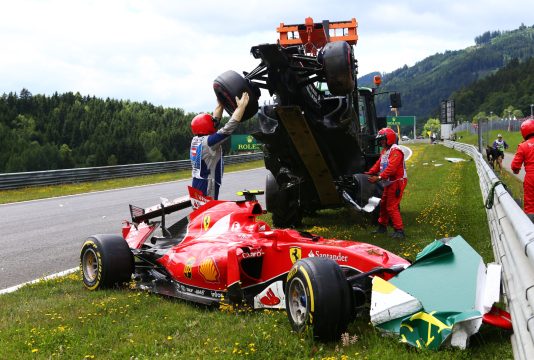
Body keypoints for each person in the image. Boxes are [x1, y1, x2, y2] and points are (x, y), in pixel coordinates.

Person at [190, 92, 249, 199]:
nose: (214, 123)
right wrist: (241, 107)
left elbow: (215, 121)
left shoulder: (196, 139)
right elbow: (227, 129)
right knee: (209, 212)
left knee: (199, 212)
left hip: (196, 181)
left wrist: (221, 103)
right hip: (207, 184)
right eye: (212, 123)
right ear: (206, 126)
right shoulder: (208, 143)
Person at [366, 127, 408, 238]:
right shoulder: (385, 151)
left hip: (397, 182)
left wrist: (378, 177)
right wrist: (369, 172)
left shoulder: (396, 151)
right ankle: (382, 227)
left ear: (389, 139)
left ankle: (399, 231)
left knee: (391, 206)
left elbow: (391, 169)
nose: (380, 142)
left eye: (382, 139)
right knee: (383, 204)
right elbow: (378, 164)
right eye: (379, 140)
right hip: (389, 182)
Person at [511, 119, 534, 222]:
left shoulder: (523, 146)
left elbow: (515, 166)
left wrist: (516, 171)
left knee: (530, 206)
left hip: (531, 178)